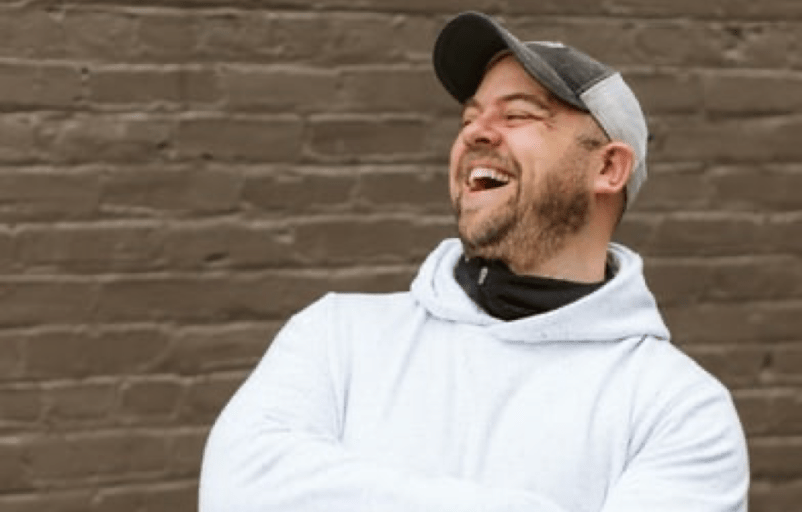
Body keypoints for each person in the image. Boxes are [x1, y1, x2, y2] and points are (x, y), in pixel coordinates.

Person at [199, 11, 749, 512]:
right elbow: (238, 491)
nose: (476, 133)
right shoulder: (337, 336)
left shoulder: (677, 409)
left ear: (608, 169)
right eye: (469, 118)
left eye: (519, 114)